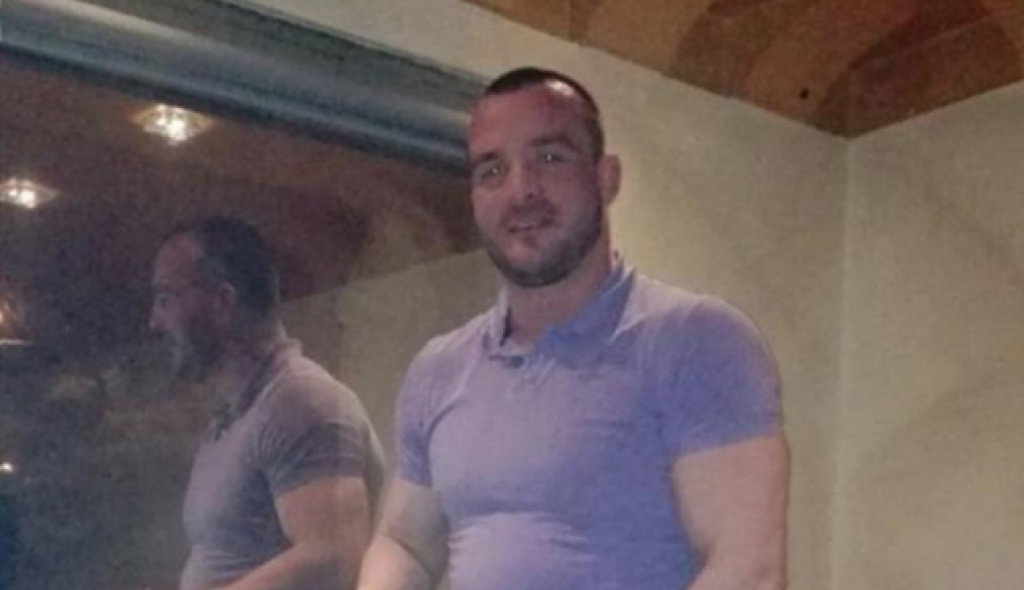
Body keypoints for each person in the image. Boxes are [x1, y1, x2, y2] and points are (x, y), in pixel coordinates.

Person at [357, 68, 789, 590]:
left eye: (549, 158)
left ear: (606, 178)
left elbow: (746, 571)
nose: (521, 190)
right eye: (492, 170)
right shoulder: (437, 369)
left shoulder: (698, 341)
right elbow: (404, 544)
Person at [149, 216, 384, 590]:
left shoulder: (304, 403)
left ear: (222, 301)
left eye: (166, 299)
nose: (154, 321)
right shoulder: (238, 416)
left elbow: (333, 558)